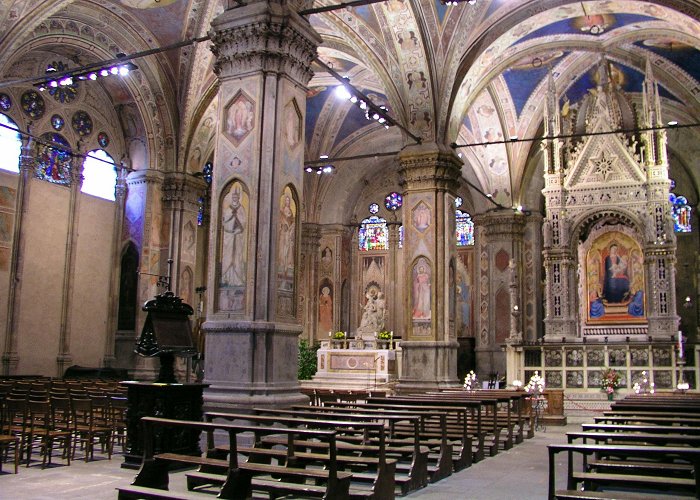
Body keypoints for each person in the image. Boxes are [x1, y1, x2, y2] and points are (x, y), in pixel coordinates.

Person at [221, 187, 246, 287]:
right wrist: (230, 228)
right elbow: (225, 222)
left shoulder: (242, 209)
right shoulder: (228, 209)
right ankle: (226, 277)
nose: (235, 198)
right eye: (233, 196)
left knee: (237, 257)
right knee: (227, 257)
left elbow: (243, 221)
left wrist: (239, 230)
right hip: (229, 237)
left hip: (238, 237)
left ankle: (237, 279)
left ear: (239, 197)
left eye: (236, 197)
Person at [278, 194, 295, 279]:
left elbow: (293, 222)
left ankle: (287, 268)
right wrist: (282, 226)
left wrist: (291, 229)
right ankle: (281, 267)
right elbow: (279, 223)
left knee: (288, 251)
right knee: (281, 251)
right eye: (286, 200)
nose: (287, 202)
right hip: (282, 234)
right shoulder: (281, 212)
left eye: (289, 201)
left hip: (289, 234)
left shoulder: (291, 213)